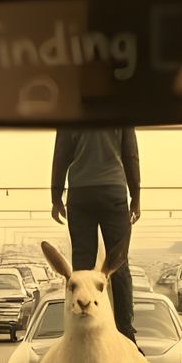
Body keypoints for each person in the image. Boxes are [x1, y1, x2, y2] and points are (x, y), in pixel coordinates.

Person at [51, 128, 141, 342]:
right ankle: (126, 331)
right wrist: (135, 197)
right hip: (113, 191)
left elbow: (61, 155)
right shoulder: (122, 112)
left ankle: (77, 326)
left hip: (80, 194)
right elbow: (131, 156)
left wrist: (56, 197)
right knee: (118, 264)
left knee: (82, 267)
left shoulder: (69, 112)